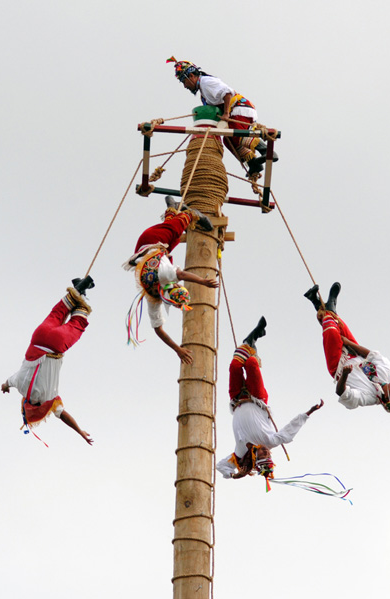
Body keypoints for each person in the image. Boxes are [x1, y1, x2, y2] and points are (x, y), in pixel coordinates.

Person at [216, 317, 324, 480]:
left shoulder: (240, 452)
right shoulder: (271, 440)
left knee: (235, 366)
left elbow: (220, 466)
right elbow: (289, 431)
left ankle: (250, 340)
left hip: (237, 399)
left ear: (255, 459)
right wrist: (308, 413)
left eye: (262, 455)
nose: (266, 451)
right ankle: (252, 344)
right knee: (251, 363)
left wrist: (234, 474)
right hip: (256, 398)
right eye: (268, 454)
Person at [304, 282, 390, 430]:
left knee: (331, 330)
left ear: (387, 398)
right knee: (339, 326)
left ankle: (327, 305)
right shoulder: (389, 372)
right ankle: (318, 302)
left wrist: (345, 375)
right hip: (355, 352)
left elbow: (341, 392)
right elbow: (371, 355)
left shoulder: (368, 398)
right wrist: (349, 343)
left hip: (339, 365)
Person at [1, 277, 96, 444]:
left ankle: (83, 294)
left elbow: (63, 416)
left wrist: (79, 431)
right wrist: (4, 387)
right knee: (59, 311)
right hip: (38, 337)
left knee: (79, 322)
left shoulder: (49, 399)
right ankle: (78, 289)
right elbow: (7, 382)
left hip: (56, 345)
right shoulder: (20, 385)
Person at [124, 197, 218, 364]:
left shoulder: (165, 276)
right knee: (173, 238)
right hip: (155, 247)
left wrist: (203, 282)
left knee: (175, 229)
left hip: (150, 240)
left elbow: (182, 275)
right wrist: (177, 349)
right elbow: (158, 329)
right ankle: (172, 209)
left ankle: (191, 214)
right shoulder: (153, 297)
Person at [167, 57, 277, 175]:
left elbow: (227, 93)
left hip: (239, 109)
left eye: (184, 81)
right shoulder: (203, 91)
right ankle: (253, 163)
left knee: (236, 136)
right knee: (229, 140)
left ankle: (266, 151)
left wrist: (225, 114)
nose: (185, 86)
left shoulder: (206, 82)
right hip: (235, 112)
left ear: (192, 76)